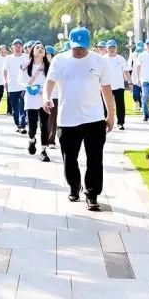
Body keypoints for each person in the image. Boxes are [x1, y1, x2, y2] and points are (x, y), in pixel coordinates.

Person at [45, 27, 115, 211]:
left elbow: (106, 88)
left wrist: (111, 115)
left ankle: (92, 194)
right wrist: (47, 98)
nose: (79, 50)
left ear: (89, 45)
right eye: (76, 47)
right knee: (69, 159)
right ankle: (74, 186)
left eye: (82, 47)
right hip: (67, 119)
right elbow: (49, 82)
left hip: (94, 119)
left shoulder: (99, 60)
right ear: (70, 44)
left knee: (95, 159)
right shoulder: (60, 60)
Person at [22, 42, 51, 162]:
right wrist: (30, 88)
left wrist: (46, 92)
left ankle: (44, 150)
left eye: (42, 48)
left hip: (44, 99)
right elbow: (20, 81)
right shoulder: (25, 66)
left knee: (44, 126)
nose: (40, 49)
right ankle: (32, 140)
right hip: (31, 99)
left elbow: (53, 82)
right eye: (37, 47)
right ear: (32, 51)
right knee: (32, 127)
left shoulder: (49, 67)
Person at [3, 39, 28, 133]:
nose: (18, 48)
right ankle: (17, 124)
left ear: (22, 47)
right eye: (16, 46)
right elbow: (5, 70)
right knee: (15, 108)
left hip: (23, 86)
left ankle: (22, 125)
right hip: (12, 86)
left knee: (22, 106)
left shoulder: (26, 57)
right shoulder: (8, 58)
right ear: (12, 47)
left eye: (19, 46)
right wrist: (5, 81)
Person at [104, 40, 129, 130]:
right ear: (107, 49)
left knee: (120, 105)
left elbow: (126, 71)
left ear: (116, 48)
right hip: (106, 85)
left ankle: (120, 123)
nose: (112, 49)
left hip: (119, 85)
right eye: (110, 47)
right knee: (106, 105)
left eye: (113, 47)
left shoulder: (120, 58)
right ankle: (105, 123)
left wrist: (130, 83)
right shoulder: (103, 59)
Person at [128, 42, 144, 107]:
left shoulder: (145, 54)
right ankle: (137, 102)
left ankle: (142, 104)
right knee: (136, 92)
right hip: (135, 76)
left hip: (143, 76)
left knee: (144, 92)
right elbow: (129, 66)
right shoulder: (132, 55)